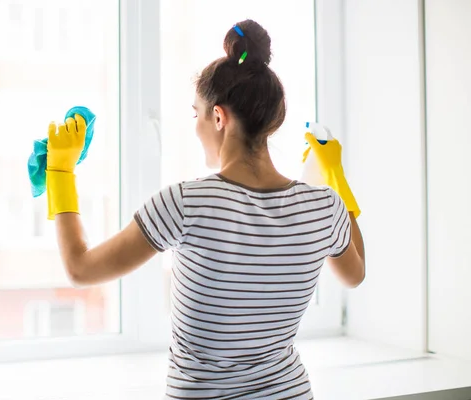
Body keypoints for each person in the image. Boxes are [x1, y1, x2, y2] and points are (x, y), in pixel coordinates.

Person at [45, 19, 365, 400]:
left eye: (195, 114)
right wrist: (336, 181)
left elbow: (81, 268)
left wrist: (60, 173)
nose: (195, 127)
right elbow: (354, 275)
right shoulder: (323, 206)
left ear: (218, 117)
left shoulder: (186, 202)